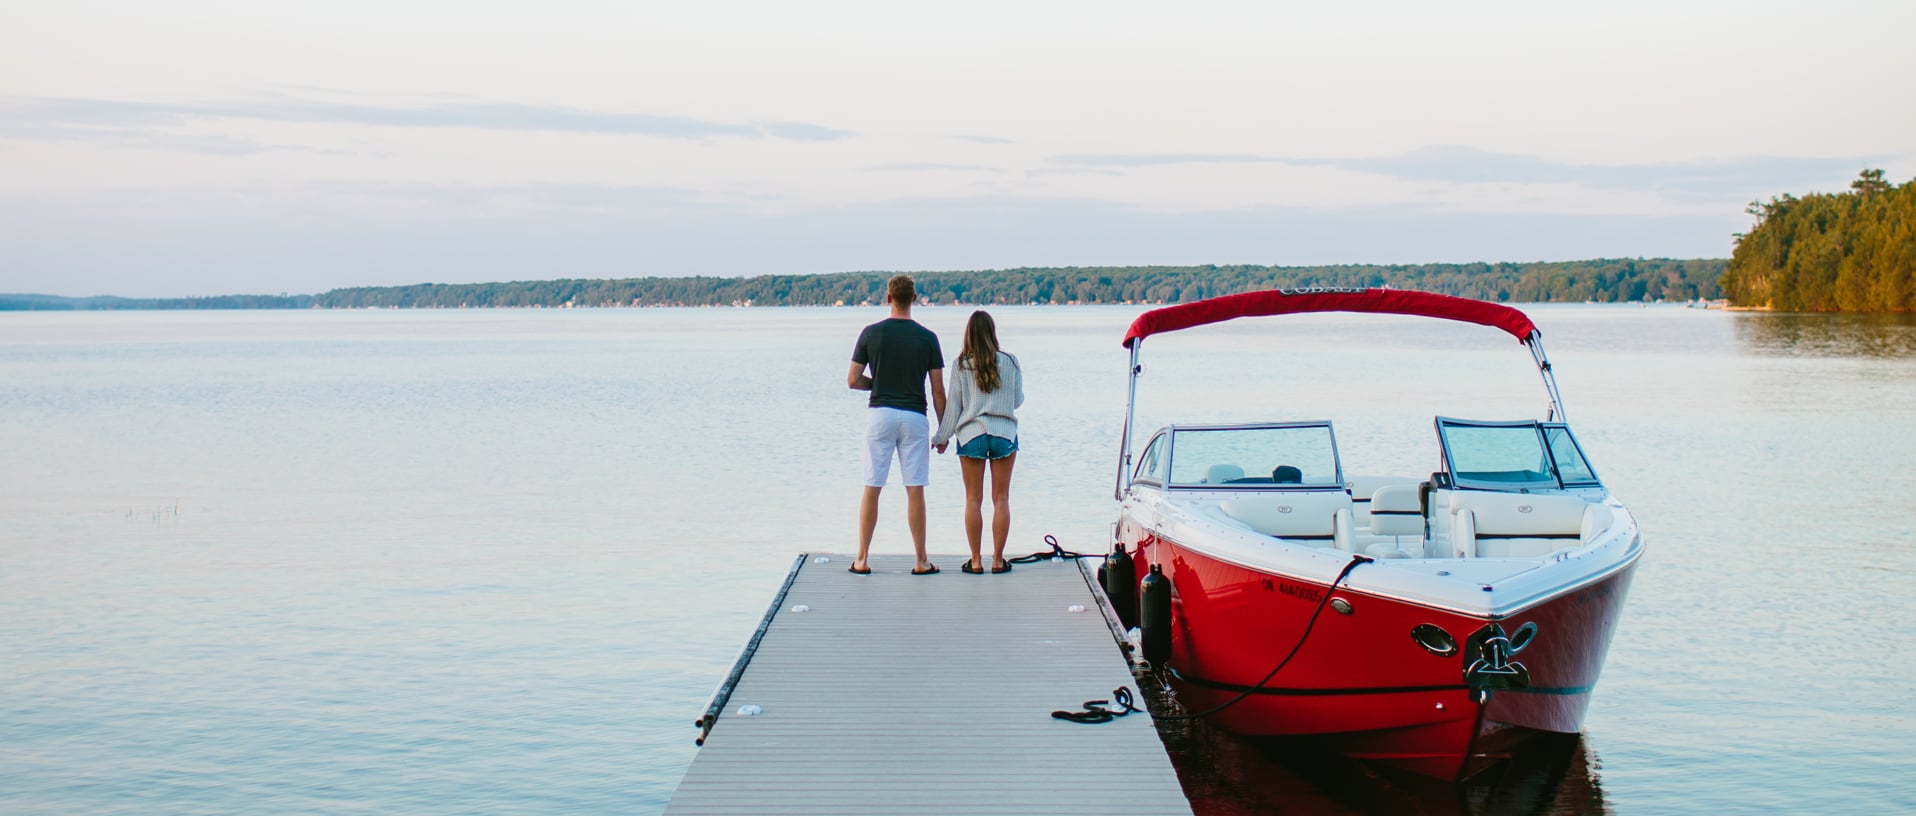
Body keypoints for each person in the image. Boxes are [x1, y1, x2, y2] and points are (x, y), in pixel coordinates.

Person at [847, 275, 946, 576]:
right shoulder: (928, 338)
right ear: (914, 298)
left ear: (888, 298)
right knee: (915, 489)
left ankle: (862, 559)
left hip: (880, 414)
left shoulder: (870, 333)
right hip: (915, 416)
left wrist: (878, 383)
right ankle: (921, 560)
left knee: (872, 486)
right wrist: (943, 431)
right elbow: (938, 390)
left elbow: (853, 380)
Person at [931, 310, 1023, 575]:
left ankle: (975, 561)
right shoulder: (1011, 361)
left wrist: (941, 437)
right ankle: (998, 560)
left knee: (973, 499)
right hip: (1004, 433)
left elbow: (954, 408)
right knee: (1001, 498)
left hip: (971, 435)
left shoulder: (961, 365)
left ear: (968, 334)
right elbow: (1017, 400)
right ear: (993, 332)